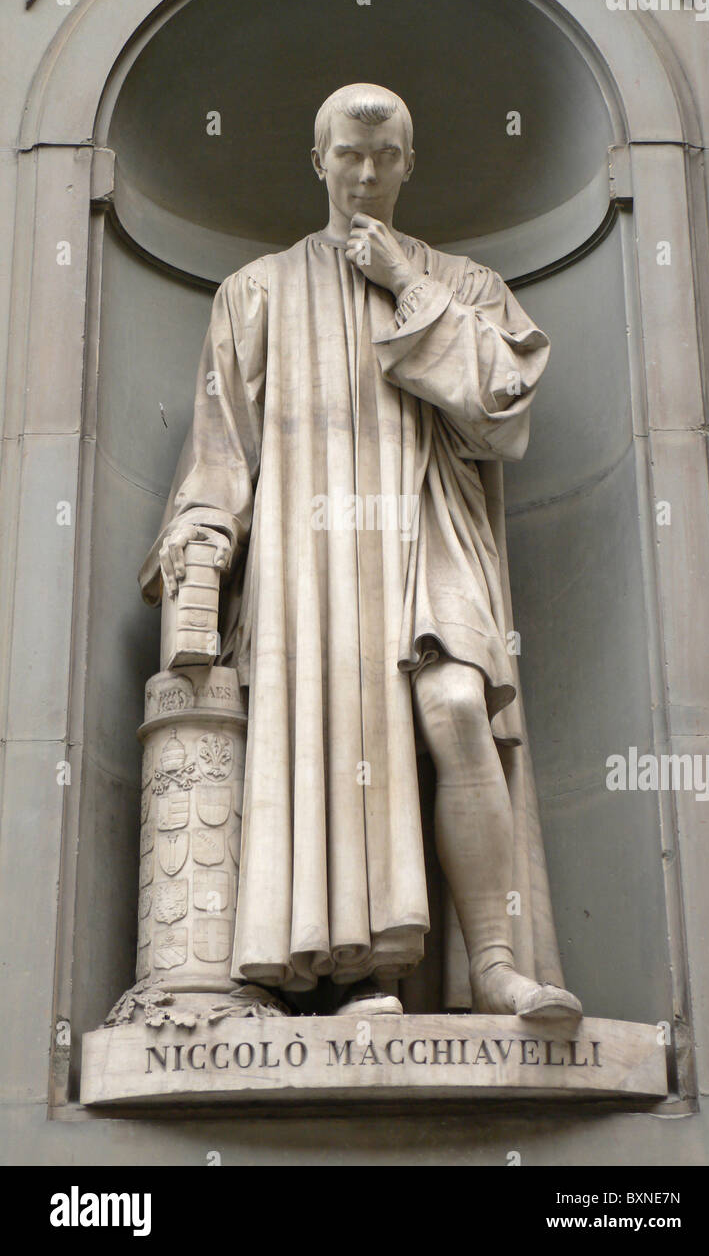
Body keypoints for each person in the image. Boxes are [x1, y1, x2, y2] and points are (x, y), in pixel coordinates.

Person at [140, 83, 582, 1021]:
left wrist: (402, 286)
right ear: (319, 162)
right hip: (312, 566)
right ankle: (362, 976)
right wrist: (202, 545)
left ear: (409, 166)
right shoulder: (254, 292)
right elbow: (222, 456)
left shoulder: (462, 285)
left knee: (461, 706)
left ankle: (498, 965)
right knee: (340, 740)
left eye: (385, 160)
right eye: (349, 156)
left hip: (432, 536)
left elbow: (502, 405)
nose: (367, 175)